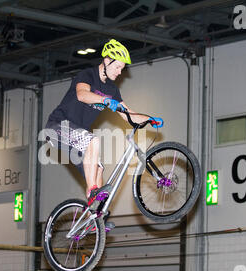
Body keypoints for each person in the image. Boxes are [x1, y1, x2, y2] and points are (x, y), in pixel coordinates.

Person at [44, 39, 163, 230]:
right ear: (106, 61)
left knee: (98, 168)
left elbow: (128, 115)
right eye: (117, 67)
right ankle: (93, 193)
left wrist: (149, 119)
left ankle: (94, 218)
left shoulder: (112, 89)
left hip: (76, 136)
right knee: (93, 141)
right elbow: (82, 95)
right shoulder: (88, 74)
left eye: (122, 68)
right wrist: (106, 101)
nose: (119, 72)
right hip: (58, 126)